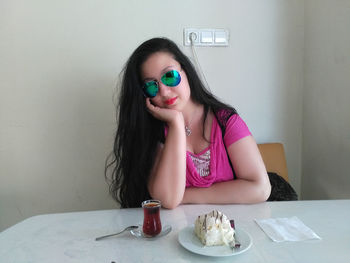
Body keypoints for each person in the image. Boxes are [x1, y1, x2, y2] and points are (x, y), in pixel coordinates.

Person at [106, 37, 271, 209]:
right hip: (174, 232)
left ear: (186, 71)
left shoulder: (226, 122)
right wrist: (176, 124)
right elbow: (168, 200)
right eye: (151, 86)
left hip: (226, 231)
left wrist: (186, 196)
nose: (164, 91)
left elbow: (260, 188)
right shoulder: (151, 131)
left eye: (169, 76)